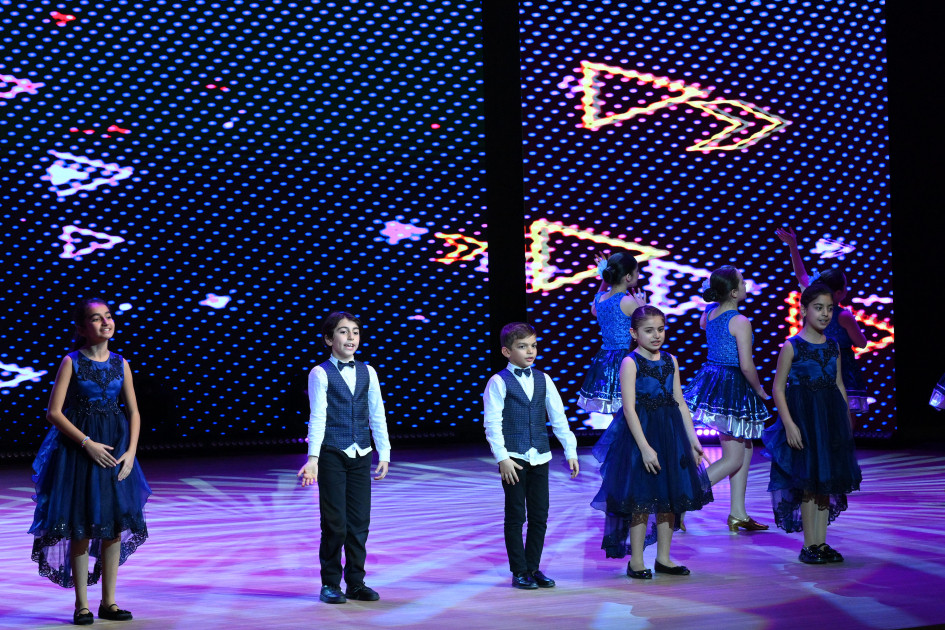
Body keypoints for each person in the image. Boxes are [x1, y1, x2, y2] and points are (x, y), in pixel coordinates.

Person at [29, 298, 150, 626]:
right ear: (82, 328)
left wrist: (131, 451)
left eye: (108, 316)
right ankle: (82, 604)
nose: (105, 322)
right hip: (79, 452)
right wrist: (87, 443)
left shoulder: (121, 363)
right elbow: (54, 413)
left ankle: (109, 602)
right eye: (96, 319)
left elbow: (134, 411)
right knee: (80, 525)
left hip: (115, 449)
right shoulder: (71, 361)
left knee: (113, 526)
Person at [591, 306, 713, 579]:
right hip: (640, 437)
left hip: (670, 435)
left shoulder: (671, 360)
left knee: (669, 496)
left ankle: (664, 558)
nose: (656, 335)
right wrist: (645, 448)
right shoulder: (630, 362)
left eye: (660, 329)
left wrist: (693, 440)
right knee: (641, 498)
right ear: (634, 333)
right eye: (649, 331)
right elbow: (629, 409)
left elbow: (679, 402)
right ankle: (636, 561)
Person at [763, 284, 862, 564]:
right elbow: (778, 388)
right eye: (819, 308)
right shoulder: (792, 346)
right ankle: (809, 545)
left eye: (829, 308)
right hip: (804, 422)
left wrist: (845, 420)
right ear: (804, 309)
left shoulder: (833, 346)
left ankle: (821, 543)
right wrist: (789, 424)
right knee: (808, 483)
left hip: (829, 422)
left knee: (824, 482)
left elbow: (839, 384)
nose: (825, 314)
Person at [297, 312, 391, 604]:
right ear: (329, 339)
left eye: (355, 332)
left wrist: (384, 451)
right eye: (343, 331)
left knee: (359, 522)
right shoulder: (320, 373)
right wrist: (313, 458)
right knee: (335, 523)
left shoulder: (368, 371)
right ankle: (330, 584)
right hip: (332, 454)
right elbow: (318, 416)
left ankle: (356, 583)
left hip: (361, 452)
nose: (351, 337)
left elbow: (377, 413)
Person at [483, 322, 579, 590]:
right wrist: (502, 457)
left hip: (540, 456)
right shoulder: (498, 381)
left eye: (533, 346)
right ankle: (519, 570)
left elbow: (558, 418)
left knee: (539, 516)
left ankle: (533, 567)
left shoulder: (543, 379)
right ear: (507, 351)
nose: (530, 351)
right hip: (514, 458)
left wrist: (570, 450)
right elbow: (492, 423)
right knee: (516, 516)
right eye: (522, 346)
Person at [682, 266, 771, 532]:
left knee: (745, 448)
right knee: (733, 457)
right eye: (742, 282)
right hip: (731, 386)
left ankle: (738, 514)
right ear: (733, 292)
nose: (746, 285)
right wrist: (760, 390)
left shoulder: (710, 313)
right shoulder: (740, 320)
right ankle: (682, 498)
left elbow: (703, 322)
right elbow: (746, 365)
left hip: (715, 382)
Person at [776, 226, 870, 413]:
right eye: (846, 286)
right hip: (840, 367)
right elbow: (861, 343)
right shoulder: (843, 315)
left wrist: (793, 246)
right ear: (838, 292)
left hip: (812, 363)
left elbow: (801, 275)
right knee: (843, 417)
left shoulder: (811, 302)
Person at [576, 251, 647, 415]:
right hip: (627, 358)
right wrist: (643, 307)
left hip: (606, 359)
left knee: (619, 409)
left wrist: (604, 280)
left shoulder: (600, 299)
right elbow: (648, 325)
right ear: (628, 277)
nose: (638, 274)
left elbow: (594, 310)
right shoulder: (628, 301)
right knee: (632, 409)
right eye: (637, 271)